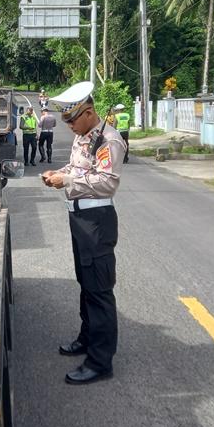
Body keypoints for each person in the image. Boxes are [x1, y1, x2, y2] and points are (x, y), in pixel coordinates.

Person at [41, 82, 126, 385]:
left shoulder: (108, 140)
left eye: (72, 120)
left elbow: (107, 182)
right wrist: (60, 173)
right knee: (86, 283)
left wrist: (66, 183)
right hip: (80, 219)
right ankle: (87, 338)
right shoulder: (85, 137)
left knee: (99, 291)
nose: (69, 126)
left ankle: (100, 361)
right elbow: (79, 168)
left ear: (88, 112)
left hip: (97, 220)